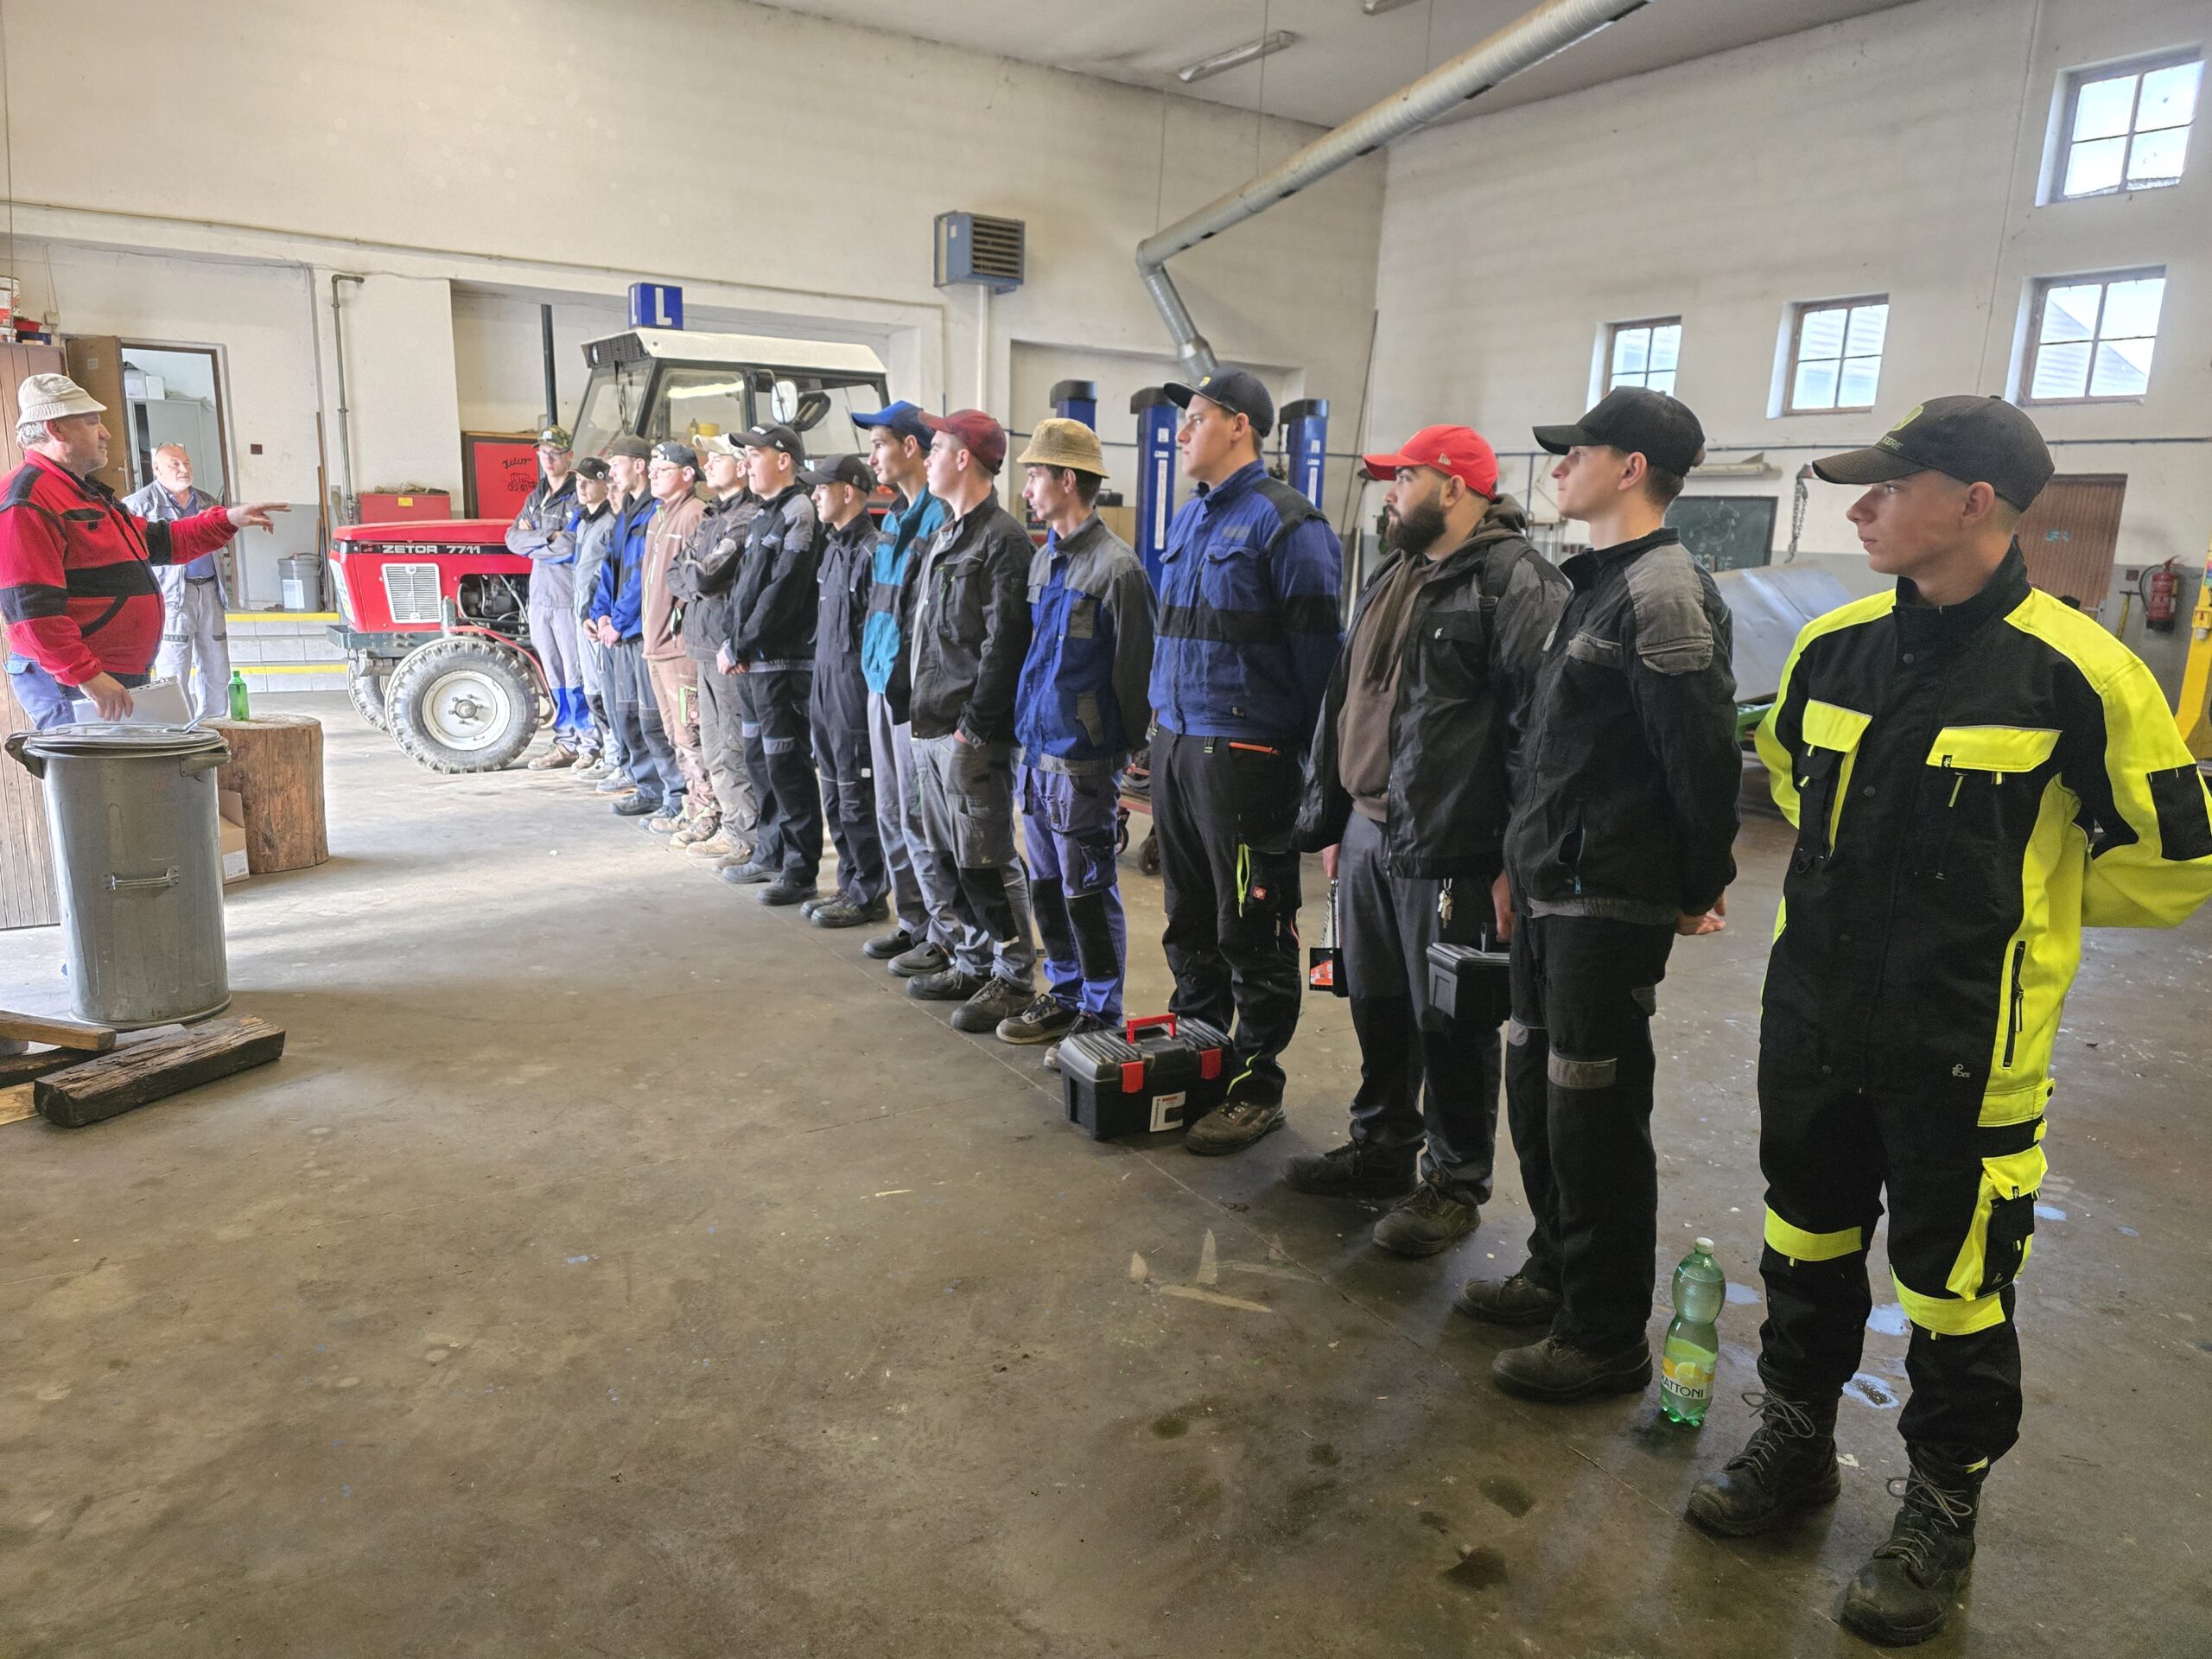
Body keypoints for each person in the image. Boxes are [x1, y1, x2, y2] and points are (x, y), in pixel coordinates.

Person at [1686, 397, 2212, 1646]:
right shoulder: (1834, 648)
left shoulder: (2079, 671)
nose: (1862, 509)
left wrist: (2028, 912)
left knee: (1958, 1291)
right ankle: (1796, 1444)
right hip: (1813, 1021)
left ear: (1976, 503)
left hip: (1968, 1050)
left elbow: (2175, 860)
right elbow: (1797, 788)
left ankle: (1940, 1508)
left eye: (1890, 486)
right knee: (1803, 1248)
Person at [1456, 387, 1740, 1404]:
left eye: (1574, 452)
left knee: (1595, 1118)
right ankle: (1556, 1273)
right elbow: (1553, 748)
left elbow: (1701, 760)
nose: (1557, 467)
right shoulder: (1594, 583)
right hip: (1550, 888)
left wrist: (1695, 886)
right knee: (1539, 1094)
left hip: (1605, 902)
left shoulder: (1663, 594)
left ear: (1630, 468)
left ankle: (1605, 1335)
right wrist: (1513, 862)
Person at [1289, 425, 1568, 1256]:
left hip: (1453, 846)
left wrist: (1512, 862)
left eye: (1403, 478)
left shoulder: (1514, 582)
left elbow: (1538, 737)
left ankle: (1455, 1182)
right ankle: (1383, 1147)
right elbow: (1349, 698)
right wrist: (1338, 815)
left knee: (1450, 1019)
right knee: (1374, 999)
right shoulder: (1396, 571)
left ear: (1453, 487)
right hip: (1369, 830)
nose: (1390, 493)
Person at [1148, 367, 1344, 1154]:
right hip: (1176, 744)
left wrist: (1313, 783)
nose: (1182, 433)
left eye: (1195, 418)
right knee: (1188, 920)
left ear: (1239, 425)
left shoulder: (1289, 525)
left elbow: (1320, 672)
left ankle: (1256, 1086)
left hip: (1246, 757)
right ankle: (1200, 1061)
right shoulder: (1191, 519)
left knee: (1252, 928)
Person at [1000, 418, 1154, 1069]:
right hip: (1037, 757)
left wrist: (1124, 757)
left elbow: (1137, 675)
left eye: (1035, 474)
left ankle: (1101, 1011)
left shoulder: (1118, 569)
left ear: (1067, 480)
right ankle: (1064, 993)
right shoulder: (1046, 558)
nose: (1027, 487)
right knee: (1046, 886)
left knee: (1088, 892)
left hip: (1084, 763)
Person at [2, 373, 281, 728]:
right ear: (55, 429)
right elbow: (30, 609)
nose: (105, 433)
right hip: (73, 684)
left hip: (104, 676)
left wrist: (226, 519)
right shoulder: (27, 498)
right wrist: (87, 675)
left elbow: (160, 542)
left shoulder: (82, 492)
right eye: (92, 422)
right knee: (93, 767)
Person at [903, 410, 1038, 1034]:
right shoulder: (947, 534)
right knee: (952, 859)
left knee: (987, 861)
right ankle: (974, 960)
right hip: (932, 723)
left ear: (964, 459)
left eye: (935, 448)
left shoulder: (1003, 540)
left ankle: (1013, 976)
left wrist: (974, 727)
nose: (927, 458)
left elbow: (1004, 643)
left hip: (969, 733)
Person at [850, 402, 957, 977]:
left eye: (880, 445)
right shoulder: (892, 518)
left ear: (910, 447)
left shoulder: (941, 518)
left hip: (914, 694)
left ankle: (944, 934)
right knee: (890, 810)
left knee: (921, 817)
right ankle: (914, 921)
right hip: (880, 682)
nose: (872, 458)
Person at [716, 423, 825, 907]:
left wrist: (740, 644)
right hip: (753, 664)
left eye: (754, 454)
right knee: (761, 763)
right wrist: (732, 641)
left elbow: (784, 592)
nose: (745, 463)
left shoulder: (799, 512)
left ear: (784, 460)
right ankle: (771, 853)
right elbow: (744, 588)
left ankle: (800, 871)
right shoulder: (766, 514)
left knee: (788, 766)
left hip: (782, 665)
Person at [801, 453, 889, 929]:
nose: (815, 495)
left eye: (822, 487)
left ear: (848, 491)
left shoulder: (872, 552)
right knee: (834, 792)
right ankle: (848, 882)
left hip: (853, 690)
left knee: (857, 795)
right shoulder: (832, 549)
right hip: (825, 684)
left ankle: (868, 893)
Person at [664, 433, 761, 861]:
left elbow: (703, 577)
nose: (708, 464)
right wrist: (696, 578)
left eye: (718, 458)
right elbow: (677, 573)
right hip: (703, 645)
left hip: (726, 649)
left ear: (742, 466)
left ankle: (745, 836)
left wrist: (697, 579)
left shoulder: (745, 518)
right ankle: (731, 825)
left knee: (732, 747)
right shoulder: (713, 518)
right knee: (714, 745)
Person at [587, 435, 683, 816]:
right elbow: (610, 569)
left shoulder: (654, 513)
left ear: (639, 466)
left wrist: (618, 621)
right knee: (628, 714)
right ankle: (648, 788)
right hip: (620, 631)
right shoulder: (626, 512)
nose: (611, 473)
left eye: (616, 464)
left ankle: (674, 795)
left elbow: (645, 577)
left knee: (654, 717)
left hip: (643, 631)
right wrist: (598, 614)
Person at [122, 443, 231, 722]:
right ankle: (181, 733)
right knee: (174, 670)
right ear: (157, 469)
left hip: (210, 592)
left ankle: (216, 726)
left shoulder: (207, 502)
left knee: (218, 668)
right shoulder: (138, 505)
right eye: (175, 464)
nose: (184, 469)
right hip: (171, 598)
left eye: (187, 462)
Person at [502, 426, 589, 769]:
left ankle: (588, 743)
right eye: (543, 453)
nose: (549, 459)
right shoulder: (536, 495)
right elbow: (512, 539)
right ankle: (566, 742)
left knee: (575, 674)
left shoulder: (577, 495)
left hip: (567, 597)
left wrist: (535, 539)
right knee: (554, 676)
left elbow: (569, 546)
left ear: (569, 456)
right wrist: (548, 537)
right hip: (540, 598)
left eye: (555, 453)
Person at [640, 439, 714, 840]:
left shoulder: (693, 515)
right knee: (674, 735)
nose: (653, 475)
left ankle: (710, 814)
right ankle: (692, 805)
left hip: (678, 648)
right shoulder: (659, 517)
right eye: (652, 469)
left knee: (691, 734)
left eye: (663, 469)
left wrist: (675, 628)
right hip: (656, 646)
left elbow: (695, 585)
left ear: (687, 475)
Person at [567, 457, 625, 781]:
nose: (582, 486)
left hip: (597, 619)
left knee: (605, 689)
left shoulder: (610, 523)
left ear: (606, 484)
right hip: (582, 617)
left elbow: (605, 576)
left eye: (589, 480)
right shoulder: (583, 522)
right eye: (579, 480)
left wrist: (595, 614)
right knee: (591, 689)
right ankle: (608, 751)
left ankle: (617, 756)